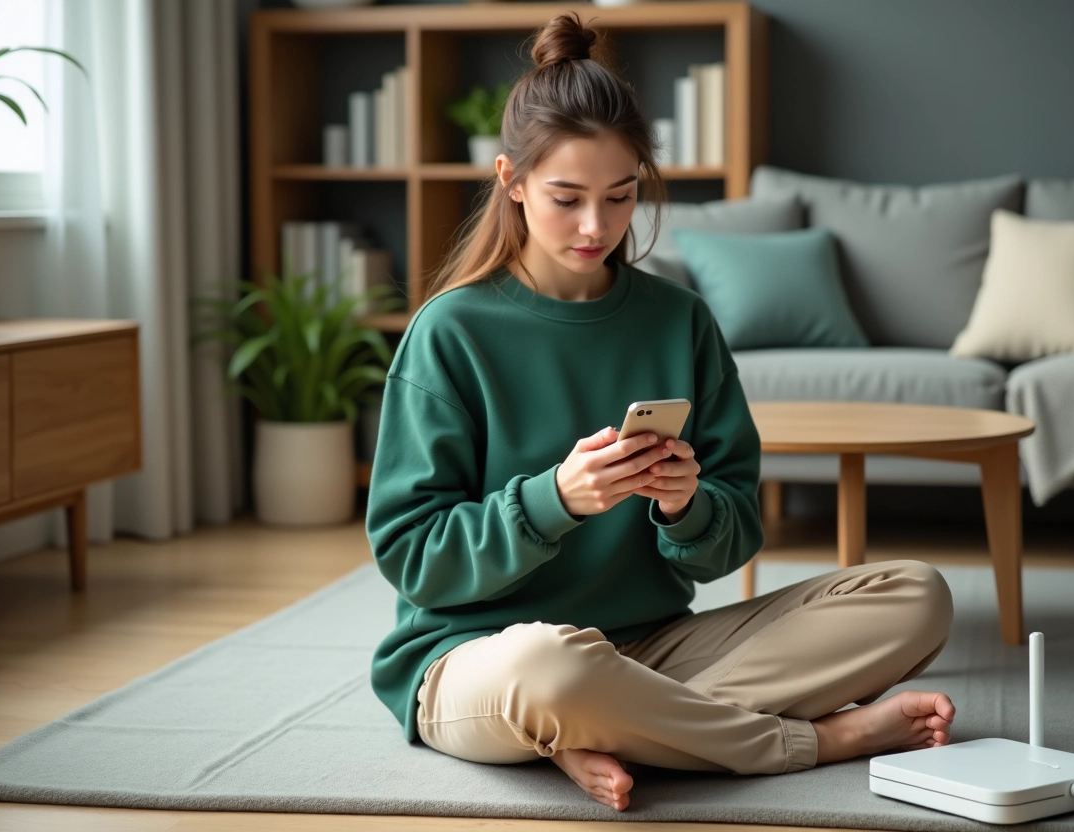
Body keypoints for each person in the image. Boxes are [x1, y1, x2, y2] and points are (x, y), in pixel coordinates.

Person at [365, 11, 956, 813]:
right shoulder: (451, 332)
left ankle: (601, 729)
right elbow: (412, 557)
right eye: (567, 198)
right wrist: (555, 500)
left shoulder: (679, 321)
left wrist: (686, 506)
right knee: (552, 669)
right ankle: (816, 741)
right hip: (480, 658)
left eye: (621, 196)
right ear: (511, 179)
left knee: (915, 595)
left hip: (651, 650)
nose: (596, 227)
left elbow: (732, 536)